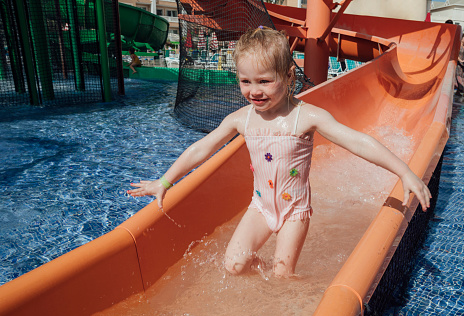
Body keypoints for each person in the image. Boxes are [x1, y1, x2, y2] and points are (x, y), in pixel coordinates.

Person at [128, 27, 432, 277]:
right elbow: (202, 148)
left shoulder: (306, 117)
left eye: (264, 81)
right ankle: (264, 275)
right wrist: (164, 181)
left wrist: (404, 172)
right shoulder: (242, 119)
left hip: (294, 212)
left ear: (288, 77)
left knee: (283, 274)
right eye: (245, 81)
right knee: (233, 266)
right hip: (259, 208)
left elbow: (356, 141)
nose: (254, 91)